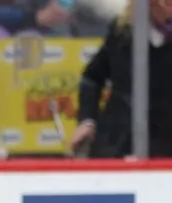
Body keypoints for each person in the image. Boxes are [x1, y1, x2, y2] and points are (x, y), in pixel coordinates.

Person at [71, 0, 172, 158]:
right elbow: (92, 77)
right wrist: (87, 120)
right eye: (166, 2)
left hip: (164, 145)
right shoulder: (122, 32)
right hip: (116, 140)